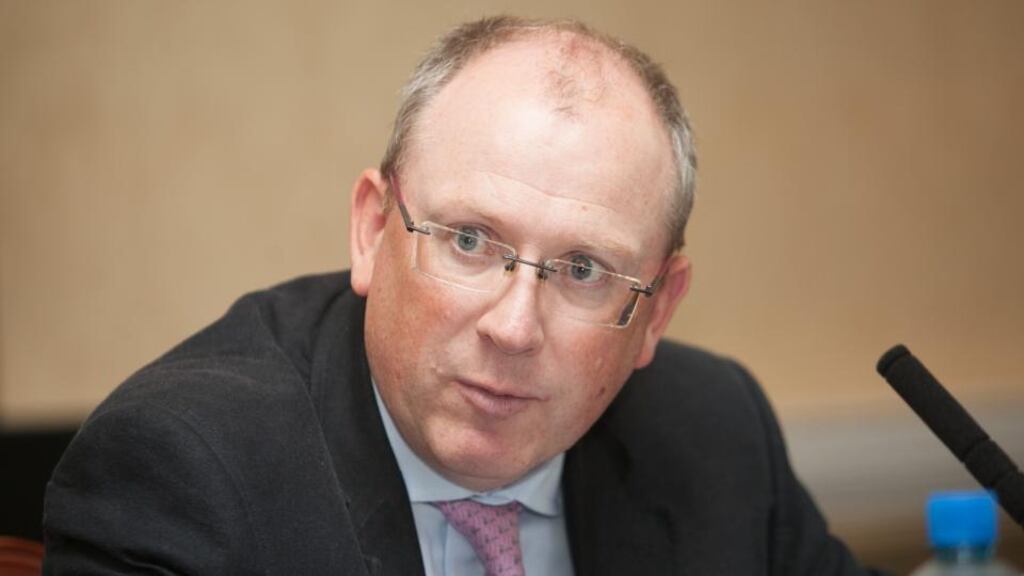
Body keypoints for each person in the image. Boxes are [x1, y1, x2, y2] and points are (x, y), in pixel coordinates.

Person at [44, 16, 884, 576]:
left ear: (657, 309)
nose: (514, 328)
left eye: (583, 270)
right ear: (373, 229)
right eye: (471, 241)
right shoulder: (185, 473)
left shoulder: (714, 434)